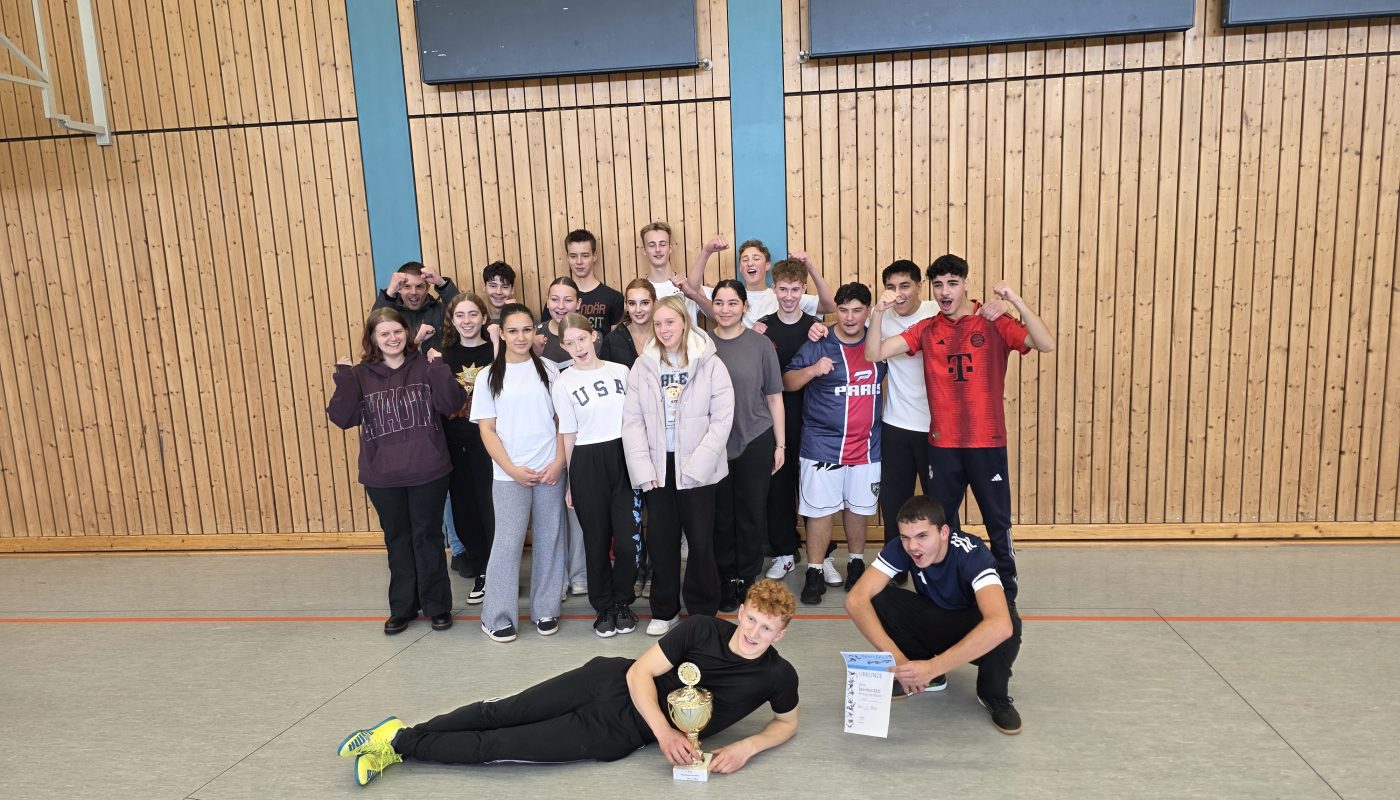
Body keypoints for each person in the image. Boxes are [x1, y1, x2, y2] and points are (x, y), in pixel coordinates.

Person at [337, 580, 800, 785]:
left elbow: (787, 723)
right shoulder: (701, 629)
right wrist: (665, 733)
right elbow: (639, 672)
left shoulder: (778, 675)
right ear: (741, 611)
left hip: (615, 732)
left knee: (498, 745)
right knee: (502, 711)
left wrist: (747, 747)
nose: (754, 633)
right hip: (608, 682)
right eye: (751, 619)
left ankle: (398, 744)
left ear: (780, 634)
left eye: (766, 628)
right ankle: (400, 737)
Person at [866, 254, 1055, 603]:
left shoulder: (993, 320)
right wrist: (878, 312)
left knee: (997, 521)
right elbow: (874, 353)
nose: (945, 291)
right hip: (943, 445)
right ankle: (945, 590)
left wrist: (1015, 301)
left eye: (952, 283)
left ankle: (1006, 595)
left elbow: (1045, 343)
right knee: (941, 526)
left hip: (987, 441)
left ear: (966, 284)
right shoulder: (927, 328)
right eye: (938, 285)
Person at [326, 308, 467, 634]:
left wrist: (439, 368)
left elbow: (451, 404)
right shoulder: (359, 375)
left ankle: (437, 606)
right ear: (373, 339)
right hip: (382, 476)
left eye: (397, 331)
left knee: (428, 537)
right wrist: (343, 378)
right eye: (384, 333)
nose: (392, 338)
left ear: (407, 333)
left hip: (428, 470)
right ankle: (403, 607)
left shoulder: (426, 365)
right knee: (397, 539)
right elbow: (343, 418)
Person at [844, 496, 1023, 734]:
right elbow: (855, 599)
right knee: (879, 597)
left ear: (944, 532)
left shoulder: (971, 554)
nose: (913, 546)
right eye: (905, 537)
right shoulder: (901, 547)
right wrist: (899, 660)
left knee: (1008, 622)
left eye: (922, 536)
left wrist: (933, 666)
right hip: (940, 619)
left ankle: (993, 695)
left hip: (977, 632)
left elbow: (1000, 625)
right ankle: (925, 676)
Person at [622, 295, 734, 635]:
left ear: (685, 322)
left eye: (670, 322)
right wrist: (644, 470)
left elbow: (722, 420)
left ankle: (701, 612)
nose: (663, 329)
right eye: (658, 324)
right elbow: (632, 422)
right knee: (661, 541)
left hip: (699, 469)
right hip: (659, 468)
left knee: (700, 542)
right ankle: (664, 610)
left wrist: (698, 466)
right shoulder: (643, 366)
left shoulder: (711, 364)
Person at [782, 283, 886, 605]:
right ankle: (814, 571)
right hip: (822, 446)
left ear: (868, 311)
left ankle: (856, 563)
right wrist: (813, 370)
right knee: (820, 512)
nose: (850, 317)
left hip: (867, 446)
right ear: (835, 311)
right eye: (843, 310)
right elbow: (787, 381)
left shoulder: (879, 343)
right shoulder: (819, 342)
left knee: (859, 509)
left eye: (857, 310)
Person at [470, 304, 568, 642]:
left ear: (534, 331)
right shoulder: (487, 377)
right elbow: (487, 429)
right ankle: (497, 616)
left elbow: (562, 421)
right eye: (513, 331)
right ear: (501, 333)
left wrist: (558, 462)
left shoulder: (550, 370)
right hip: (509, 475)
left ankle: (546, 609)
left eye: (527, 329)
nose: (521, 337)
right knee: (507, 543)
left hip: (549, 470)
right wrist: (511, 469)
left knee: (549, 539)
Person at [552, 313, 642, 637]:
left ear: (593, 336)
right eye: (570, 342)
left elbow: (636, 419)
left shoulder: (621, 371)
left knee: (629, 541)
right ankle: (604, 607)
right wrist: (571, 482)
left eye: (581, 338)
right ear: (564, 346)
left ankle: (623, 601)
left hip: (623, 457)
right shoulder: (563, 383)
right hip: (587, 462)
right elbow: (568, 433)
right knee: (596, 540)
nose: (578, 347)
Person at [706, 280, 785, 612]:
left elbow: (774, 396)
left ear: (744, 306)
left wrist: (780, 445)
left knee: (751, 513)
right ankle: (726, 578)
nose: (725, 310)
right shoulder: (701, 344)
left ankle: (748, 578)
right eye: (719, 303)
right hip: (714, 443)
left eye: (732, 303)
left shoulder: (761, 344)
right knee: (721, 515)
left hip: (755, 438)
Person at [756, 258, 830, 582]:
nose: (788, 296)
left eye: (795, 290)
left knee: (815, 489)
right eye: (783, 289)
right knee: (779, 489)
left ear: (803, 290)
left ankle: (821, 554)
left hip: (813, 419)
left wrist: (824, 332)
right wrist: (752, 337)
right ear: (773, 288)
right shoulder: (762, 327)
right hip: (775, 419)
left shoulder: (816, 328)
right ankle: (784, 552)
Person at [874, 260, 938, 584]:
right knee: (894, 502)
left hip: (936, 428)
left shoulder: (935, 312)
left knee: (938, 504)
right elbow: (851, 329)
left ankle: (941, 568)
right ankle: (896, 568)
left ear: (919, 287)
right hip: (896, 424)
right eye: (891, 287)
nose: (897, 293)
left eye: (905, 286)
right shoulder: (881, 317)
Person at [431, 293, 496, 602]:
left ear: (483, 317)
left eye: (473, 314)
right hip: (455, 443)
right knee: (463, 510)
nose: (467, 321)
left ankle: (499, 569)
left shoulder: (496, 349)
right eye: (460, 315)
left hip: (490, 443)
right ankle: (481, 569)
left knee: (491, 507)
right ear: (452, 320)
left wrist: (497, 342)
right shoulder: (442, 354)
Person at [688, 237, 835, 326]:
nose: (750, 263)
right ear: (740, 268)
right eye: (745, 260)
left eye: (756, 258)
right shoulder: (728, 296)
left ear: (767, 265)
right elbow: (692, 289)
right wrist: (706, 251)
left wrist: (810, 267)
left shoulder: (783, 295)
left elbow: (830, 305)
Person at [371, 261, 459, 352]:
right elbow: (373, 326)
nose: (413, 292)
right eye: (407, 286)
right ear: (399, 289)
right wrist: (390, 292)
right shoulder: (392, 315)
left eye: (419, 286)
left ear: (427, 288)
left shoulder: (440, 310)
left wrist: (441, 283)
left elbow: (462, 312)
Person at [639, 221, 708, 322]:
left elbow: (718, 313)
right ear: (644, 250)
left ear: (670, 248)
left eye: (663, 244)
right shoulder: (638, 291)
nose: (658, 249)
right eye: (652, 245)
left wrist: (707, 251)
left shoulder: (689, 286)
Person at [565, 228, 624, 332]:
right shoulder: (557, 299)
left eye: (585, 255)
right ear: (567, 258)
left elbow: (617, 339)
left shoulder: (614, 298)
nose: (579, 262)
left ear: (594, 256)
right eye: (573, 256)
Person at [597, 277, 656, 369]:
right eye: (632, 303)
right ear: (626, 305)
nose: (638, 310)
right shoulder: (611, 341)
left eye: (644, 303)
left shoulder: (664, 335)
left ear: (655, 302)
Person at [534, 276, 582, 371]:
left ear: (578, 303)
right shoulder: (535, 335)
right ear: (547, 301)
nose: (561, 306)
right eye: (554, 299)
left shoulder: (589, 336)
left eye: (568, 300)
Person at [480, 260, 517, 326]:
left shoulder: (526, 319)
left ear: (512, 290)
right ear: (484, 287)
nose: (498, 292)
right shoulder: (475, 321)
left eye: (505, 287)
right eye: (493, 286)